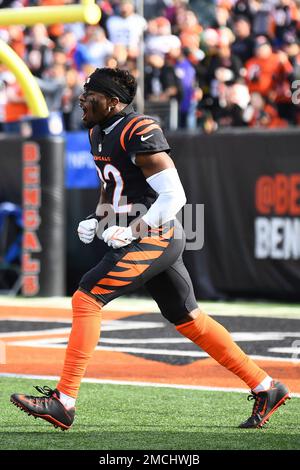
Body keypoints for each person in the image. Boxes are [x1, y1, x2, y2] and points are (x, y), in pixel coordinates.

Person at [10, 67, 290, 431]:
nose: (81, 99)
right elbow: (115, 185)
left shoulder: (138, 129)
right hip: (146, 233)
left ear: (113, 102)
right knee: (190, 319)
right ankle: (266, 386)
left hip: (155, 234)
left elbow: (174, 195)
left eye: (89, 94)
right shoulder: (98, 131)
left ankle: (64, 401)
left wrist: (134, 230)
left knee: (87, 298)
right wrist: (98, 219)